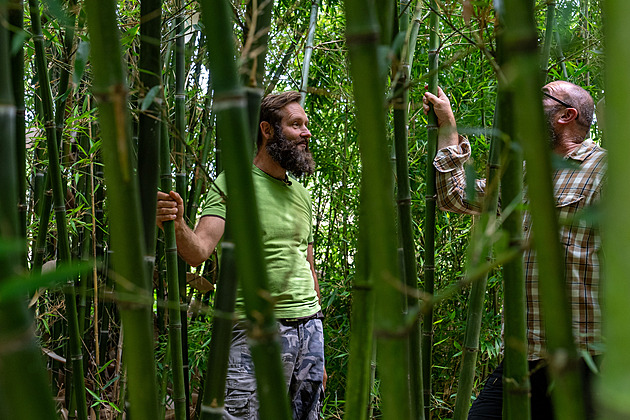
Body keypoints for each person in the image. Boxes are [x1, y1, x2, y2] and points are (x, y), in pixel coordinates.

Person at [423, 81, 606, 419]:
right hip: (524, 360)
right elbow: (455, 195)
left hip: (589, 363)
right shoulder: (522, 174)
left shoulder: (606, 171)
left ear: (567, 115)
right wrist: (448, 127)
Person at [157, 91, 325, 420]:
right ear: (267, 130)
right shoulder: (234, 182)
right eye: (296, 125)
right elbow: (198, 251)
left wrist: (316, 338)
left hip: (309, 330)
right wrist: (176, 223)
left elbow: (308, 266)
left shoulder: (303, 194)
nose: (307, 132)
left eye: (306, 124)